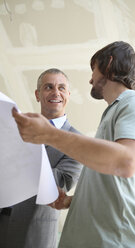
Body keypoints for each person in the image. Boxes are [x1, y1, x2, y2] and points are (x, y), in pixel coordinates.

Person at [12, 41, 135, 248]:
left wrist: (49, 134)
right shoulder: (111, 115)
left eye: (93, 70)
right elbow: (111, 190)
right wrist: (71, 201)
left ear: (108, 64)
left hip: (117, 242)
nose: (90, 79)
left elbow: (126, 161)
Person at [0, 68, 82, 248]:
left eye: (61, 88)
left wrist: (13, 160)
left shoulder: (77, 141)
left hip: (33, 234)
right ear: (38, 95)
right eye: (48, 87)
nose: (55, 92)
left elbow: (60, 183)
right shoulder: (15, 129)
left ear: (68, 94)